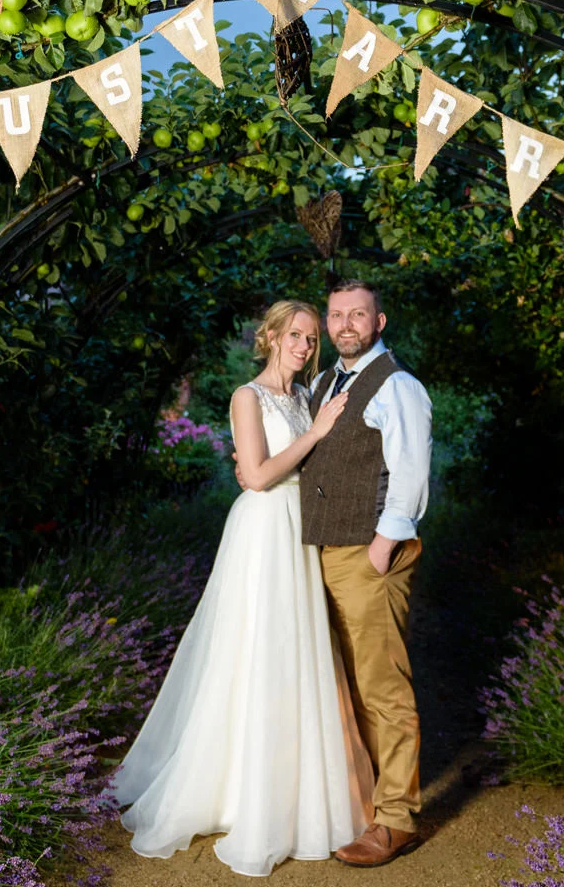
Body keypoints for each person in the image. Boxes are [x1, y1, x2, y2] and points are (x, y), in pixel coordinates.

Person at [112, 300, 374, 878]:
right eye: (297, 335)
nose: (306, 346)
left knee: (296, 654)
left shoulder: (305, 398)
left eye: (312, 338)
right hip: (263, 532)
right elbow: (256, 475)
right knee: (256, 649)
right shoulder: (246, 397)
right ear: (273, 336)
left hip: (299, 529)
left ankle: (295, 789)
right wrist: (318, 434)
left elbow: (299, 467)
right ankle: (236, 793)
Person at [299, 279, 432, 868]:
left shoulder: (397, 385)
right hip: (320, 553)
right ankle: (363, 800)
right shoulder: (327, 383)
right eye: (336, 316)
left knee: (383, 688)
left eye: (358, 315)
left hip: (367, 553)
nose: (345, 324)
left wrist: (383, 545)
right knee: (344, 687)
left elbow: (410, 470)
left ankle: (397, 820)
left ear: (380, 322)